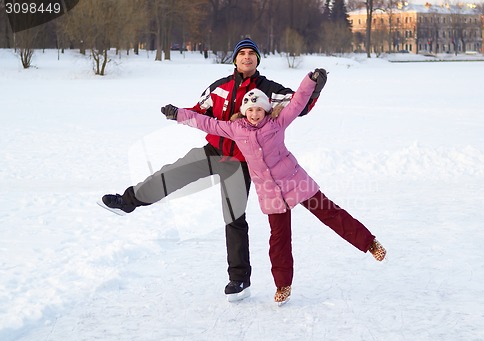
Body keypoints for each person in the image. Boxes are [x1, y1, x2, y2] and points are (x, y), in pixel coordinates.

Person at [100, 38, 325, 302]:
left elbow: (301, 105)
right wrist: (176, 112)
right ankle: (128, 201)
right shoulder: (219, 87)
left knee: (233, 217)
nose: (247, 57)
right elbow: (199, 112)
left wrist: (316, 89)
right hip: (213, 151)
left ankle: (239, 280)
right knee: (169, 175)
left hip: (241, 163)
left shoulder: (269, 90)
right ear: (235, 59)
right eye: (242, 53)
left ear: (258, 60)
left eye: (252, 53)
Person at [160, 69, 387, 305]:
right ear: (244, 112)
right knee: (279, 238)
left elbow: (298, 101)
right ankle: (283, 285)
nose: (255, 114)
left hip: (295, 182)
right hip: (270, 194)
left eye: (259, 109)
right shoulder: (236, 130)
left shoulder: (277, 123)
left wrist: (310, 80)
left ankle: (369, 242)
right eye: (251, 109)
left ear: (267, 110)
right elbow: (205, 122)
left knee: (329, 212)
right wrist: (178, 114)